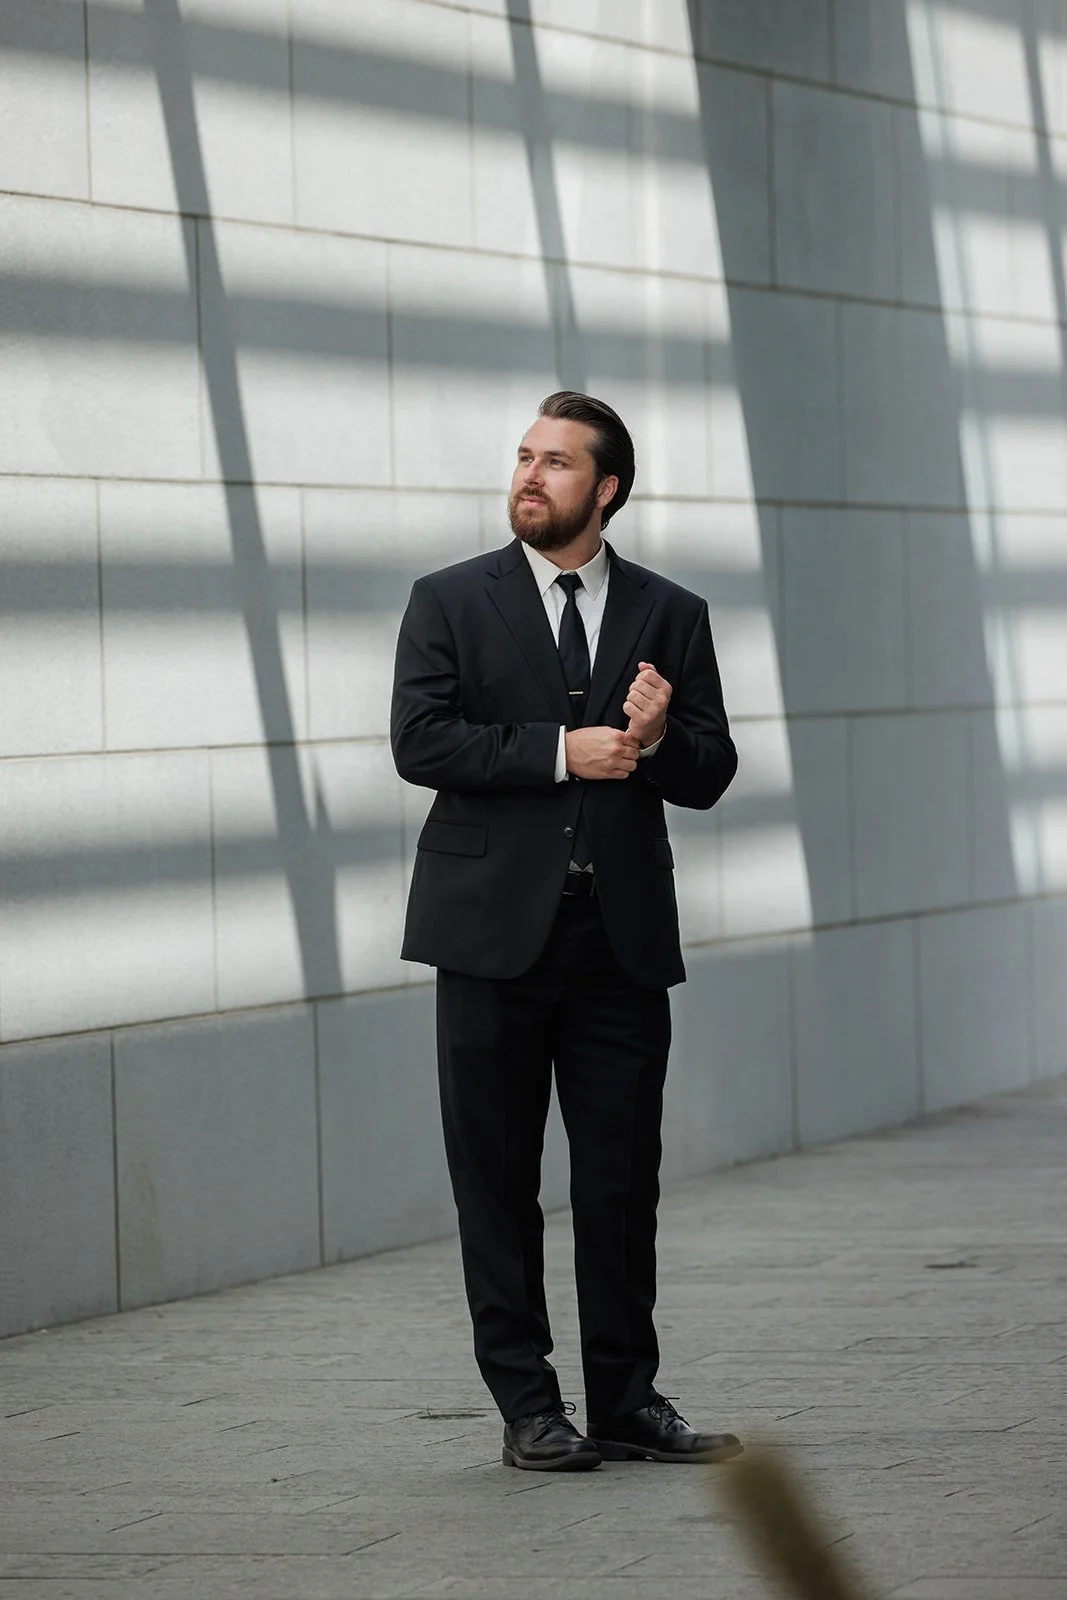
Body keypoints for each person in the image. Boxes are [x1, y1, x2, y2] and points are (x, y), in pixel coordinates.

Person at [390, 391, 741, 1471]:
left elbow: (710, 767)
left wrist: (651, 738)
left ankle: (627, 1399)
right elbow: (421, 740)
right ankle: (529, 1407)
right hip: (490, 938)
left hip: (618, 942)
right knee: (494, 1180)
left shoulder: (668, 611)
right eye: (523, 457)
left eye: (555, 463)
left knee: (617, 1180)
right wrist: (563, 750)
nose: (528, 477)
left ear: (606, 488)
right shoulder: (448, 599)